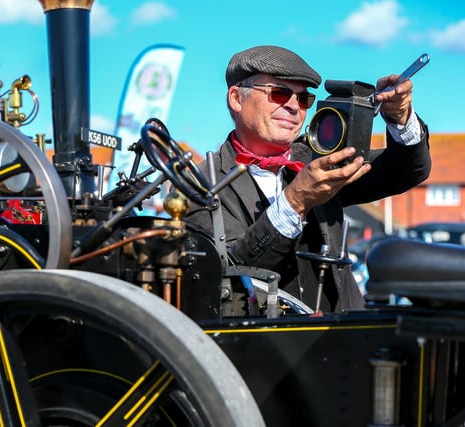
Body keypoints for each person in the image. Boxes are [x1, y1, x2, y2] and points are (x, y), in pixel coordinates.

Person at [184, 45, 430, 313]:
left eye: (303, 99)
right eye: (279, 93)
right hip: (265, 348)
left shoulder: (318, 159)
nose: (293, 107)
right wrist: (294, 202)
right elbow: (227, 275)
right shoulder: (201, 184)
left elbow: (406, 170)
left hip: (344, 339)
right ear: (236, 98)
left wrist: (400, 118)